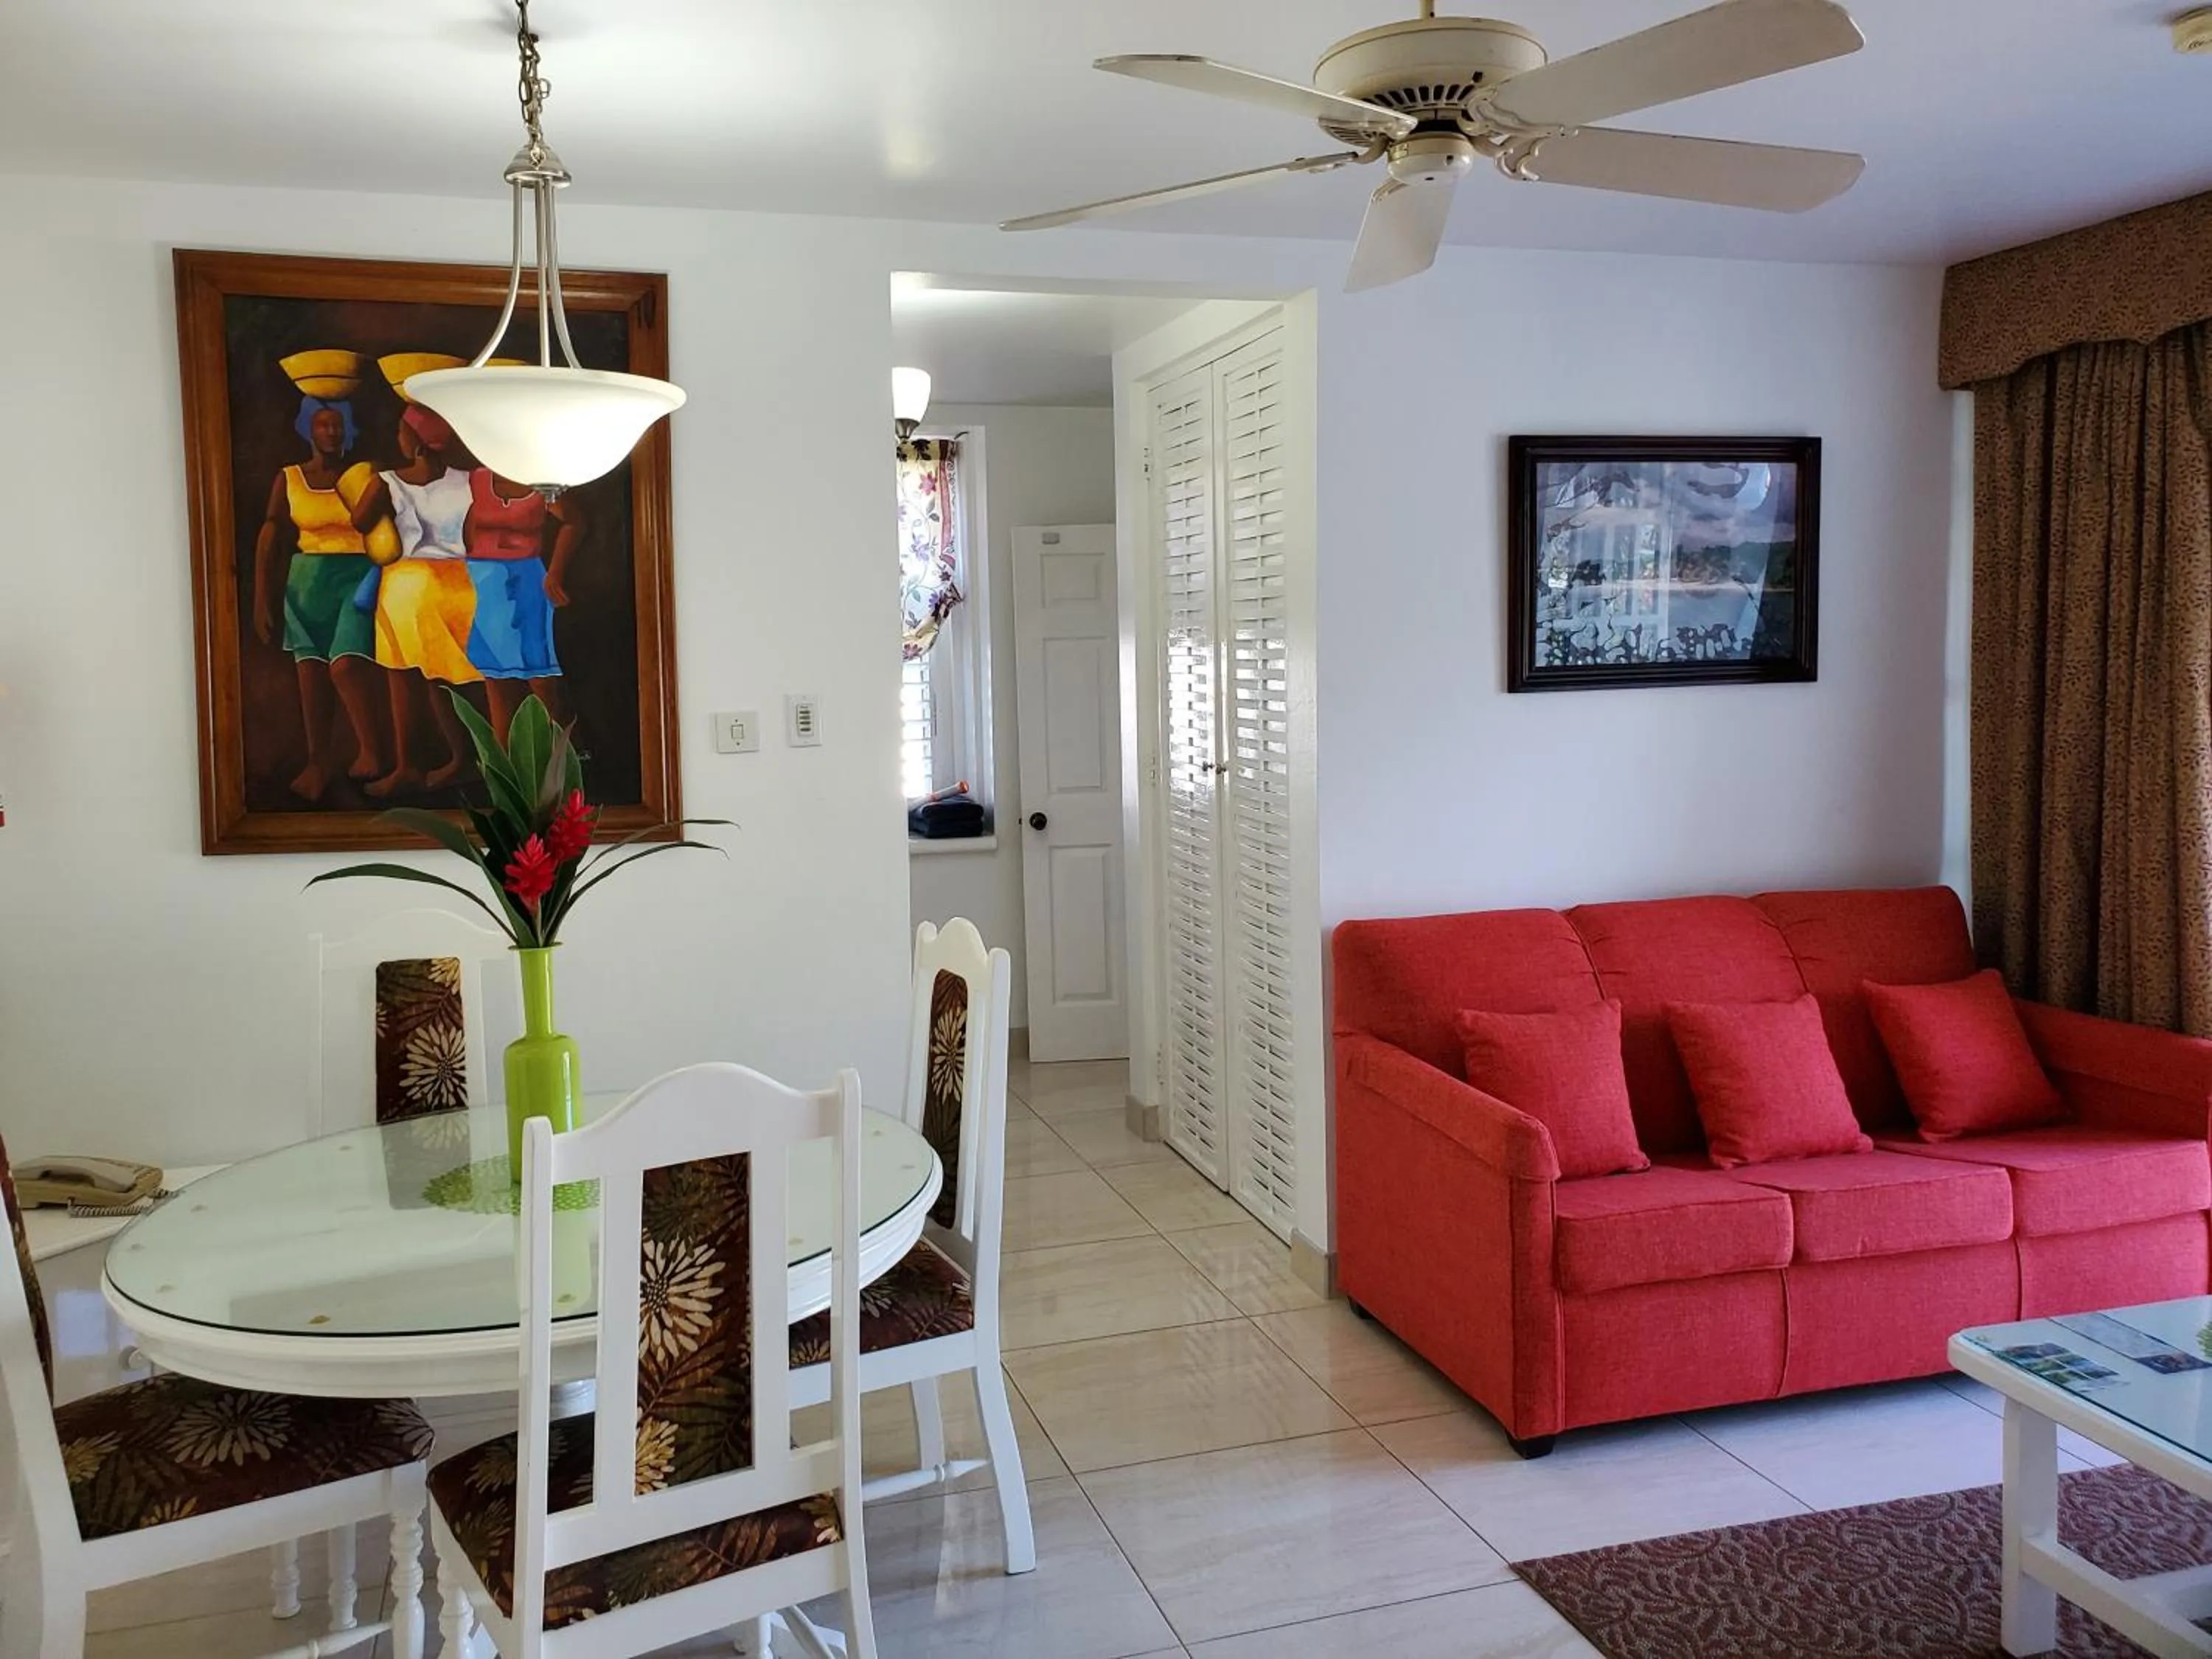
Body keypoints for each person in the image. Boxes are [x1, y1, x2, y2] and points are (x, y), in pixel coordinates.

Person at [252, 366, 394, 801]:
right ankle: (319, 763)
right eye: (323, 425)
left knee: (347, 666)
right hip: (304, 583)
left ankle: (374, 752)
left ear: (349, 430)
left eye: (338, 425)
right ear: (308, 429)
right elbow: (272, 533)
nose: (332, 432)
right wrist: (261, 597)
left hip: (354, 577)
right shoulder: (290, 477)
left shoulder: (364, 475)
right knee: (310, 676)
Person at [349, 401, 481, 794]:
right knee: (449, 680)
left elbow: (359, 521)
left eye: (402, 432)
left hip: (407, 586)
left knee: (404, 676)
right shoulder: (470, 480)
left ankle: (407, 766)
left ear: (419, 441)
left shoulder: (388, 481)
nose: (397, 439)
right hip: (459, 583)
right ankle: (465, 759)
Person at [462, 469, 583, 740]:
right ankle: (506, 768)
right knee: (495, 677)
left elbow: (574, 522)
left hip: (527, 580)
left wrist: (555, 573)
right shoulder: (476, 479)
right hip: (485, 583)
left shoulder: (542, 479)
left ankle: (561, 759)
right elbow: (466, 530)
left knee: (541, 676)